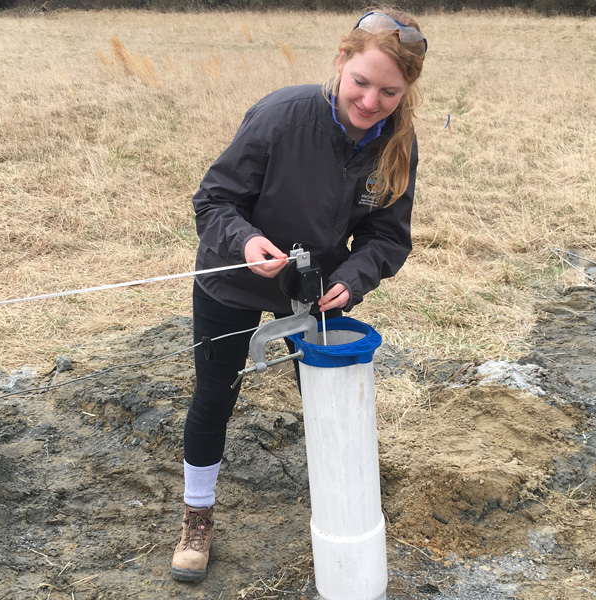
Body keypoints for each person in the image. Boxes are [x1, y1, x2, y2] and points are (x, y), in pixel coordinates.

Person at [170, 8, 427, 583]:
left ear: (406, 90)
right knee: (215, 396)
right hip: (233, 277)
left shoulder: (399, 145)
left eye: (389, 91)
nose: (369, 101)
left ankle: (342, 503)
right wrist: (247, 241)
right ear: (341, 61)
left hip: (313, 293)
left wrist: (354, 277)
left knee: (325, 397)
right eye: (361, 82)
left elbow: (387, 237)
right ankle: (197, 515)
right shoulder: (280, 117)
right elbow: (213, 202)